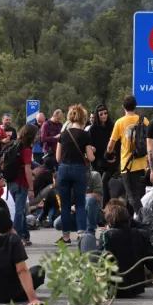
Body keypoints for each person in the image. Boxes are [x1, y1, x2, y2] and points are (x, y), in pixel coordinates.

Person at [79, 200, 153, 298]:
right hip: (135, 289)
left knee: (87, 238)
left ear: (110, 223)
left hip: (112, 289)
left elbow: (103, 263)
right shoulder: (142, 234)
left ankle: (87, 281)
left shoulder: (107, 235)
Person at [55, 104, 94, 244]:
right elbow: (90, 158)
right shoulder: (85, 135)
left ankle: (66, 237)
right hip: (78, 170)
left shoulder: (64, 134)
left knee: (65, 204)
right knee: (80, 203)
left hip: (64, 169)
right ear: (83, 118)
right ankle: (81, 233)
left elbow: (58, 158)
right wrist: (92, 151)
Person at [107, 95, 149, 214]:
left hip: (127, 164)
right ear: (135, 106)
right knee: (133, 195)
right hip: (141, 163)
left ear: (123, 107)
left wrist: (108, 154)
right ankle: (128, 221)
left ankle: (145, 219)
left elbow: (111, 144)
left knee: (132, 196)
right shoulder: (143, 120)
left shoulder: (120, 122)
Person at [10, 124, 37, 246]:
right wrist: (31, 188)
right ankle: (16, 237)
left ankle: (25, 235)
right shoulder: (26, 149)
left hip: (12, 181)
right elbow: (27, 170)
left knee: (21, 209)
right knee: (19, 210)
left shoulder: (15, 144)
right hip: (21, 183)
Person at [89, 104, 116, 206]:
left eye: (105, 113)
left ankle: (105, 207)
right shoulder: (93, 129)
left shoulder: (112, 126)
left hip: (110, 160)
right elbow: (89, 144)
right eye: (101, 114)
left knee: (104, 183)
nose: (104, 116)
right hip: (97, 161)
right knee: (97, 186)